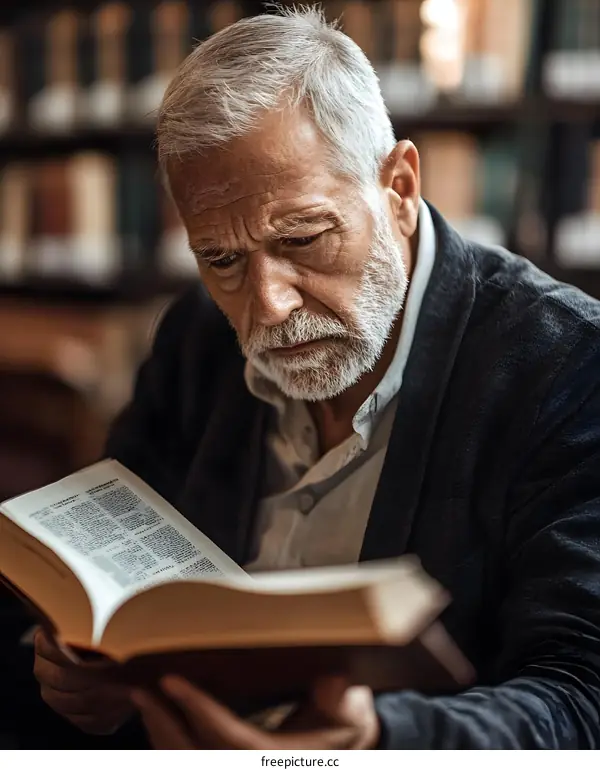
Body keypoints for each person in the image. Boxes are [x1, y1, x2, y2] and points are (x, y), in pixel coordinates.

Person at [33, 7, 600, 749]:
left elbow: (581, 698)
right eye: (222, 260)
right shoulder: (197, 340)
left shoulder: (568, 367)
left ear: (398, 186)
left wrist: (377, 743)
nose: (267, 305)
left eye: (302, 238)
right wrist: (82, 667)